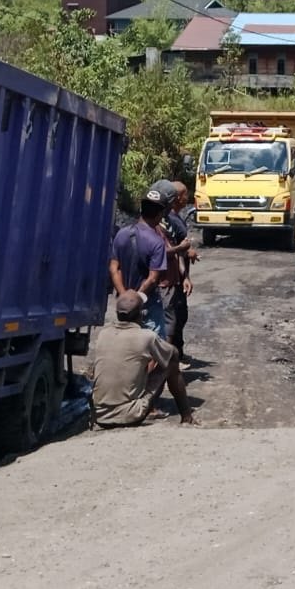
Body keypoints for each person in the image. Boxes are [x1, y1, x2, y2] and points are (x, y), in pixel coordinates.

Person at [87, 291, 194, 427]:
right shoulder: (147, 337)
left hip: (100, 416)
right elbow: (173, 353)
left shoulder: (104, 334)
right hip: (130, 414)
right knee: (171, 358)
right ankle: (187, 416)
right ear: (141, 314)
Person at [111, 182, 173, 338]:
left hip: (124, 307)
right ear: (160, 214)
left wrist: (125, 297)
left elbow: (114, 268)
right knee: (154, 349)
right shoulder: (156, 242)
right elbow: (153, 279)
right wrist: (137, 299)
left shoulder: (122, 234)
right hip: (147, 304)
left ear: (141, 209)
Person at [160, 183, 197, 368]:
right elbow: (171, 250)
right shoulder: (168, 221)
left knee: (178, 316)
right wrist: (185, 251)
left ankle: (176, 354)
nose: (186, 198)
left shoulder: (174, 219)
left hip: (178, 275)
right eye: (184, 195)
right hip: (169, 279)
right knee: (173, 317)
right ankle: (170, 359)